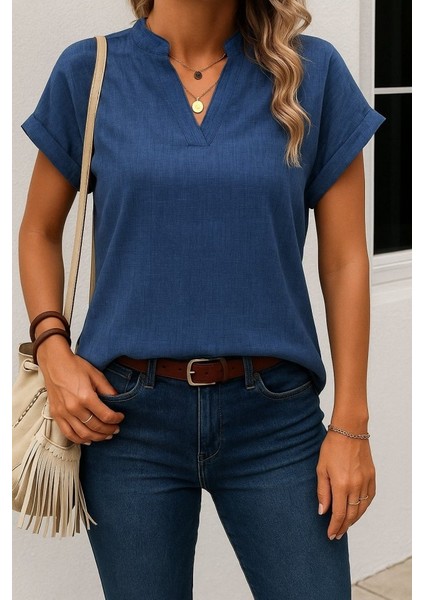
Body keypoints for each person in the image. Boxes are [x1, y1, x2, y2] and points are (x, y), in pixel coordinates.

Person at [18, 0, 385, 598]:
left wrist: (353, 424)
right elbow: (38, 230)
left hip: (276, 421)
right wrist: (51, 347)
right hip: (124, 423)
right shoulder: (90, 71)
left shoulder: (311, 71)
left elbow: (345, 260)